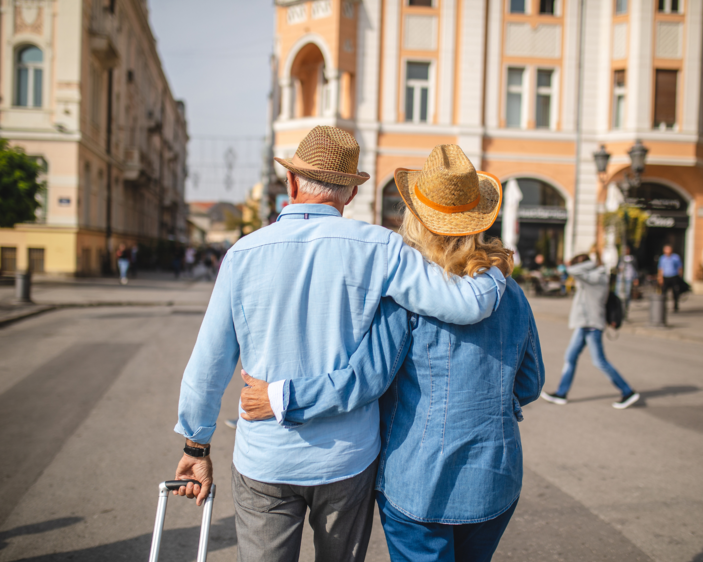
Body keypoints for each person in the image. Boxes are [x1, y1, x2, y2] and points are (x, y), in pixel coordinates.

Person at [171, 129, 507, 562]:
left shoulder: (242, 254)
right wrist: (496, 267)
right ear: (349, 194)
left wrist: (195, 447)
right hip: (346, 460)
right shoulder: (381, 248)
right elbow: (463, 305)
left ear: (292, 185)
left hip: (266, 457)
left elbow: (207, 366)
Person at [239, 145, 544, 562]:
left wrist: (281, 396)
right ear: (478, 220)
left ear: (415, 218)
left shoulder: (406, 296)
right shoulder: (510, 293)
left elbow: (365, 381)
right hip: (496, 477)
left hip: (418, 482)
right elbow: (530, 384)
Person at [541, 253, 640, 409]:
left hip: (592, 325)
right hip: (584, 324)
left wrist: (590, 263)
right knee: (570, 357)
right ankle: (561, 393)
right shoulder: (591, 276)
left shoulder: (597, 278)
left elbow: (573, 270)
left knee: (599, 361)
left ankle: (628, 392)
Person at [658, 244, 683, 312]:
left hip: (674, 276)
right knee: (663, 292)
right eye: (666, 249)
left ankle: (675, 306)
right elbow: (660, 268)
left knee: (675, 292)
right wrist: (660, 277)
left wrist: (680, 277)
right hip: (665, 276)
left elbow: (680, 267)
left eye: (668, 249)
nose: (667, 251)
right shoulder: (662, 258)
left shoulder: (675, 257)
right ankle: (663, 306)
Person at [616, 246, 638, 315]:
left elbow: (635, 269)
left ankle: (625, 308)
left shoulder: (632, 258)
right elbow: (617, 268)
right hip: (620, 278)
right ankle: (619, 309)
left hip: (629, 278)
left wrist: (636, 278)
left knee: (627, 294)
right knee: (618, 294)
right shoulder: (620, 258)